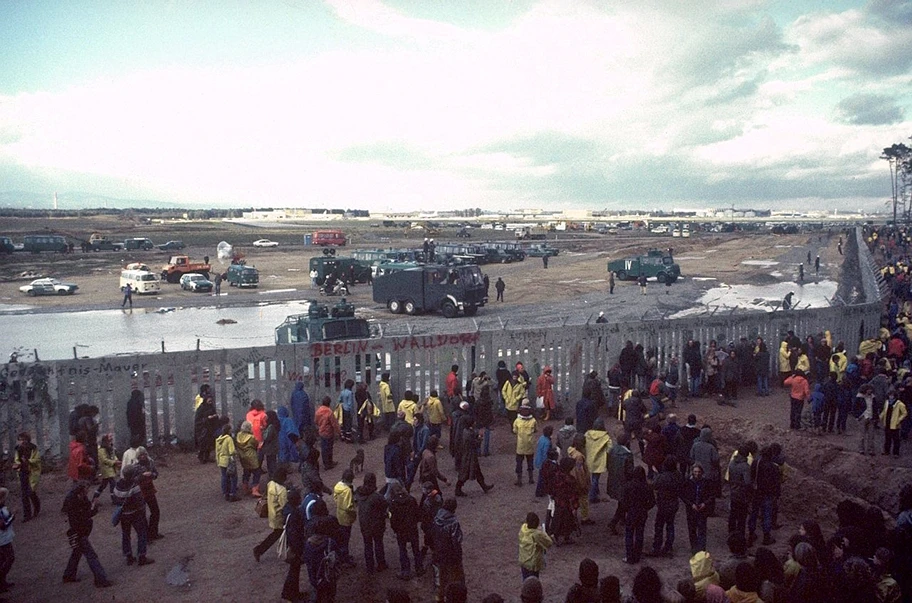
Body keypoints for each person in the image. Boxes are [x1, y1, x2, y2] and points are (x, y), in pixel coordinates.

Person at [61, 481, 112, 588]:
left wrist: (92, 506)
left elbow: (86, 510)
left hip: (80, 530)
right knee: (91, 555)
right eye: (87, 489)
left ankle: (68, 574)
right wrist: (94, 508)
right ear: (82, 490)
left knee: (77, 552)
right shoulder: (74, 501)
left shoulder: (77, 498)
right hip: (80, 531)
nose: (88, 491)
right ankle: (100, 579)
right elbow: (84, 515)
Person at [112, 465, 154, 566]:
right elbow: (140, 501)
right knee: (141, 534)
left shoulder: (118, 485)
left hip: (124, 515)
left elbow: (115, 498)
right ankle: (142, 556)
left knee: (126, 535)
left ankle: (128, 556)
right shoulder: (134, 486)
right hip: (135, 514)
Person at [650, 455, 684, 558]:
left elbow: (655, 485)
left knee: (659, 526)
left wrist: (656, 474)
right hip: (673, 503)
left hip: (663, 504)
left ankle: (657, 546)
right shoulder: (678, 475)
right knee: (670, 525)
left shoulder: (662, 477)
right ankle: (668, 546)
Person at [430, 498, 464, 603]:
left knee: (439, 579)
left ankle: (438, 599)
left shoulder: (436, 518)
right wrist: (458, 555)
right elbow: (456, 540)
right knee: (455, 577)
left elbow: (431, 534)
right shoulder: (453, 522)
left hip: (437, 552)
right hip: (450, 554)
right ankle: (456, 598)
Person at [254, 467, 289, 562]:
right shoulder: (282, 490)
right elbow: (284, 505)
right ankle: (259, 549)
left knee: (277, 534)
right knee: (281, 534)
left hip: (273, 514)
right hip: (280, 516)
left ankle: (259, 550)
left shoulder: (271, 484)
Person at [389, 481, 423, 580]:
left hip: (401, 530)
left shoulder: (393, 503)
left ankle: (405, 571)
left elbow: (392, 519)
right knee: (416, 549)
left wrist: (395, 529)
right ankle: (419, 568)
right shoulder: (411, 500)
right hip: (412, 528)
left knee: (402, 550)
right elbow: (418, 514)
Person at [355, 472, 388, 574]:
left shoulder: (359, 493)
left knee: (367, 545)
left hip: (364, 524)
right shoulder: (376, 497)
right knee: (378, 544)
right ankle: (381, 564)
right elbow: (385, 505)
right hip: (376, 524)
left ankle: (369, 567)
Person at [622, 466, 656, 565]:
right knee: (639, 534)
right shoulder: (647, 487)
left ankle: (629, 555)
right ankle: (637, 555)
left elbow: (624, 500)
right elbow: (652, 501)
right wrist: (646, 508)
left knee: (629, 534)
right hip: (642, 512)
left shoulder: (628, 486)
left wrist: (628, 508)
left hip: (632, 512)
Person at [455, 416, 494, 496]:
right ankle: (458, 489)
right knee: (465, 473)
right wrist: (480, 437)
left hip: (470, 456)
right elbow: (475, 444)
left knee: (477, 472)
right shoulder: (468, 434)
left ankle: (484, 486)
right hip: (469, 457)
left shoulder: (466, 431)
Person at [280, 489, 307, 602]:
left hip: (291, 545)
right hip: (295, 547)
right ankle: (291, 594)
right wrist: (298, 550)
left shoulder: (287, 510)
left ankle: (291, 593)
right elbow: (295, 534)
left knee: (294, 571)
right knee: (294, 572)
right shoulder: (294, 515)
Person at [682, 462, 711, 555]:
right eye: (695, 472)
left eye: (698, 472)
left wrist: (705, 504)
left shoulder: (706, 482)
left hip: (702, 509)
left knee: (702, 529)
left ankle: (701, 549)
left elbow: (710, 495)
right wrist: (691, 504)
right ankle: (694, 548)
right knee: (692, 530)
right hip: (691, 509)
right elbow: (684, 496)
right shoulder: (688, 482)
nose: (697, 474)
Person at [13, 432, 40, 522]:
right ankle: (27, 515)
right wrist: (17, 465)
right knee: (24, 495)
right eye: (20, 440)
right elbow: (17, 459)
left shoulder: (33, 448)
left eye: (24, 439)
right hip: (22, 472)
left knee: (31, 492)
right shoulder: (18, 449)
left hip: (31, 472)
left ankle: (37, 506)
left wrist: (28, 461)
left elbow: (37, 460)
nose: (22, 441)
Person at [332, 468, 357, 566]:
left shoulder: (338, 486)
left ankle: (342, 556)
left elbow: (335, 498)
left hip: (339, 513)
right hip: (346, 518)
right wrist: (354, 512)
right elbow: (348, 507)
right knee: (345, 539)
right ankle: (344, 559)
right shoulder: (347, 491)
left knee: (341, 537)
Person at [135, 447, 161, 539]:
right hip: (140, 491)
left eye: (144, 454)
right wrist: (142, 476)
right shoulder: (135, 466)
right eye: (141, 455)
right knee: (142, 514)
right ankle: (146, 535)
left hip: (150, 489)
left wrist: (152, 475)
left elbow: (156, 474)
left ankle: (153, 532)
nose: (143, 456)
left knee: (155, 511)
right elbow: (134, 480)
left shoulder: (150, 462)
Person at [518, 511, 553, 581]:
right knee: (533, 582)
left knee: (525, 581)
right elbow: (549, 543)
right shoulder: (537, 534)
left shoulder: (523, 528)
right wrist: (542, 532)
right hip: (532, 564)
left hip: (523, 560)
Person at [513, 404, 538, 487]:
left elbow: (515, 431)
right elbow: (535, 430)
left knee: (519, 463)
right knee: (530, 462)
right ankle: (531, 478)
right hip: (530, 445)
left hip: (520, 446)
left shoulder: (517, 420)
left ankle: (519, 479)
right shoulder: (533, 421)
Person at [215, 424, 240, 502]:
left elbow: (217, 451)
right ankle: (233, 494)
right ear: (229, 430)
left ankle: (225, 493)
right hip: (229, 461)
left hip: (221, 460)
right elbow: (231, 451)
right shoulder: (229, 439)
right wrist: (236, 453)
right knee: (233, 477)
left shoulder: (219, 439)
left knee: (224, 477)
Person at [236, 421, 261, 496]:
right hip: (252, 457)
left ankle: (245, 488)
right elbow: (256, 445)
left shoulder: (238, 435)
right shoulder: (251, 437)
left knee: (246, 472)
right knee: (257, 473)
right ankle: (255, 489)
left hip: (243, 457)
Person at [315, 396, 340, 471]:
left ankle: (326, 463)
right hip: (329, 432)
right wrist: (339, 432)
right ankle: (329, 463)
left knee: (323, 448)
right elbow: (334, 423)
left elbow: (315, 421)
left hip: (321, 432)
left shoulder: (318, 411)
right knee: (329, 448)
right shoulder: (329, 412)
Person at [880, 388, 907, 456]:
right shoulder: (887, 402)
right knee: (887, 438)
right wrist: (880, 417)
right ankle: (887, 451)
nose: (891, 396)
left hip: (895, 424)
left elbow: (904, 413)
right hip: (887, 422)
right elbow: (884, 411)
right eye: (889, 395)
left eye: (892, 395)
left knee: (896, 439)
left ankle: (896, 453)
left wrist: (899, 420)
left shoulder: (899, 404)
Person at [94, 433, 120, 501]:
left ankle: (95, 497)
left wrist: (116, 460)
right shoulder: (101, 449)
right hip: (106, 468)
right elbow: (104, 460)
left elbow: (113, 455)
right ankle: (114, 498)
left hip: (110, 468)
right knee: (112, 483)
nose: (111, 438)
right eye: (110, 437)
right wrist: (114, 462)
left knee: (103, 484)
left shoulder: (110, 446)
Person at [194, 393, 219, 463]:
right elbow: (198, 420)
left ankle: (207, 457)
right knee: (203, 444)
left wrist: (214, 417)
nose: (210, 400)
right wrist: (207, 418)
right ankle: (201, 457)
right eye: (209, 399)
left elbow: (215, 416)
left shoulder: (211, 407)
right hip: (203, 429)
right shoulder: (201, 408)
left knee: (209, 443)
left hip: (210, 428)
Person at [0, 489, 13, 593]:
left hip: (4, 538)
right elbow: (3, 526)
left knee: (3, 560)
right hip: (3, 539)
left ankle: (3, 581)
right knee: (9, 558)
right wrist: (12, 517)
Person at [261, 410, 281, 480]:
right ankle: (274, 476)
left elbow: (267, 437)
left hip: (270, 448)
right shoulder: (276, 425)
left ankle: (273, 477)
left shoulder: (271, 427)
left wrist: (262, 432)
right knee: (273, 462)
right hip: (274, 447)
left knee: (271, 464)